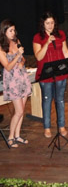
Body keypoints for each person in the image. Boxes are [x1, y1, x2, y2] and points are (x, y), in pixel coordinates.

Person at [33, 12, 68, 138]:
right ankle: (47, 127)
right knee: (47, 100)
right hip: (45, 74)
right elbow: (39, 56)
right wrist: (47, 43)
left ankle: (61, 125)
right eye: (47, 23)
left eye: (52, 23)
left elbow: (65, 51)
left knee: (60, 100)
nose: (50, 26)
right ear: (43, 24)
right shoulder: (37, 38)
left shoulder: (60, 34)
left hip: (60, 72)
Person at [0, 19, 31, 148]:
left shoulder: (16, 42)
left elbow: (23, 59)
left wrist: (21, 62)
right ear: (4, 32)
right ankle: (10, 137)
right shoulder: (1, 47)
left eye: (14, 30)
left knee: (22, 110)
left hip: (22, 77)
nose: (13, 33)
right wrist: (18, 56)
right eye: (10, 31)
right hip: (12, 81)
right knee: (18, 111)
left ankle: (17, 135)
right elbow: (7, 67)